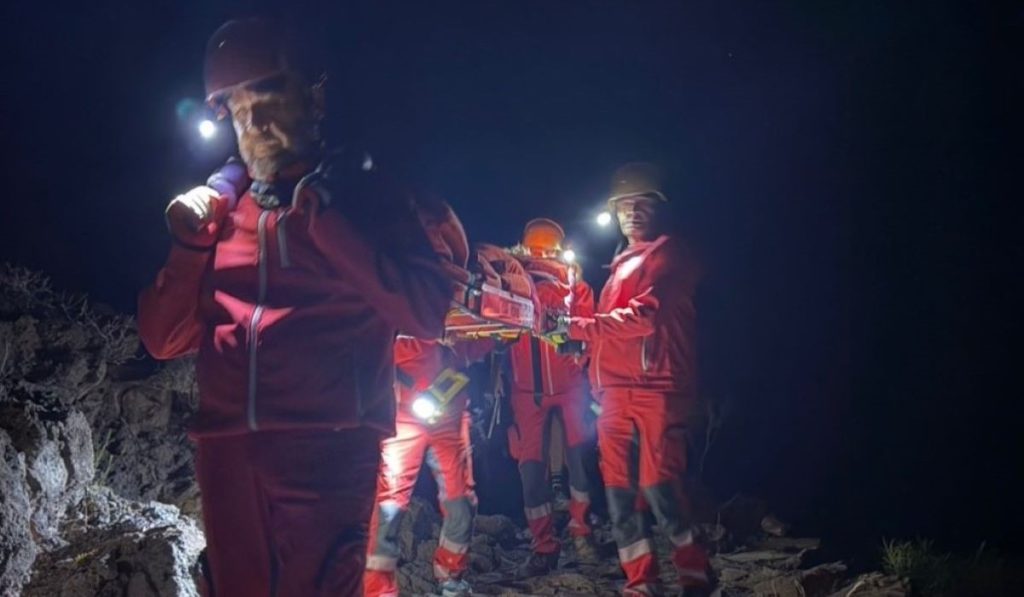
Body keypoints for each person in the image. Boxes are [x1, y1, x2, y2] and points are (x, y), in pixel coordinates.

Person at [137, 18, 450, 596]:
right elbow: (162, 339)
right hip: (227, 450)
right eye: (234, 108)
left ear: (314, 94)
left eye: (267, 96)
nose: (253, 124)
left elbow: (427, 311)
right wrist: (188, 247)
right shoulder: (221, 212)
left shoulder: (370, 197)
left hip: (328, 449)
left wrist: (329, 222)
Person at [558, 163, 713, 596]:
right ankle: (640, 582)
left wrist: (580, 327)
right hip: (613, 394)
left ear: (659, 208)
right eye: (624, 206)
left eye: (641, 204)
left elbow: (645, 316)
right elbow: (608, 335)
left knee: (660, 487)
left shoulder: (671, 254)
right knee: (621, 493)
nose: (632, 212)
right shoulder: (619, 266)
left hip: (658, 388)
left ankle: (695, 575)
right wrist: (580, 350)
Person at [505, 219, 599, 577]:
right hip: (536, 390)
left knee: (547, 469)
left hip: (556, 388)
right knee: (553, 468)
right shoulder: (568, 284)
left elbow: (589, 332)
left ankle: (554, 543)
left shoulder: (566, 285)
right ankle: (573, 538)